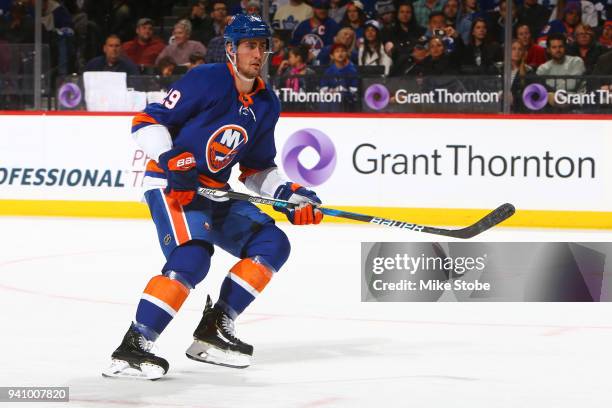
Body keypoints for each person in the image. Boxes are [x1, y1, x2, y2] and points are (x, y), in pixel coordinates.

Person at [102, 14, 323, 381]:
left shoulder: (267, 103)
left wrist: (289, 194)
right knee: (192, 257)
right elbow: (145, 121)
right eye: (250, 45)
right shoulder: (206, 79)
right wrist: (172, 158)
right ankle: (133, 347)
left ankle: (215, 328)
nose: (258, 53)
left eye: (262, 45)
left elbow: (256, 169)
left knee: (272, 243)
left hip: (214, 190)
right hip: (172, 184)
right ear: (232, 49)